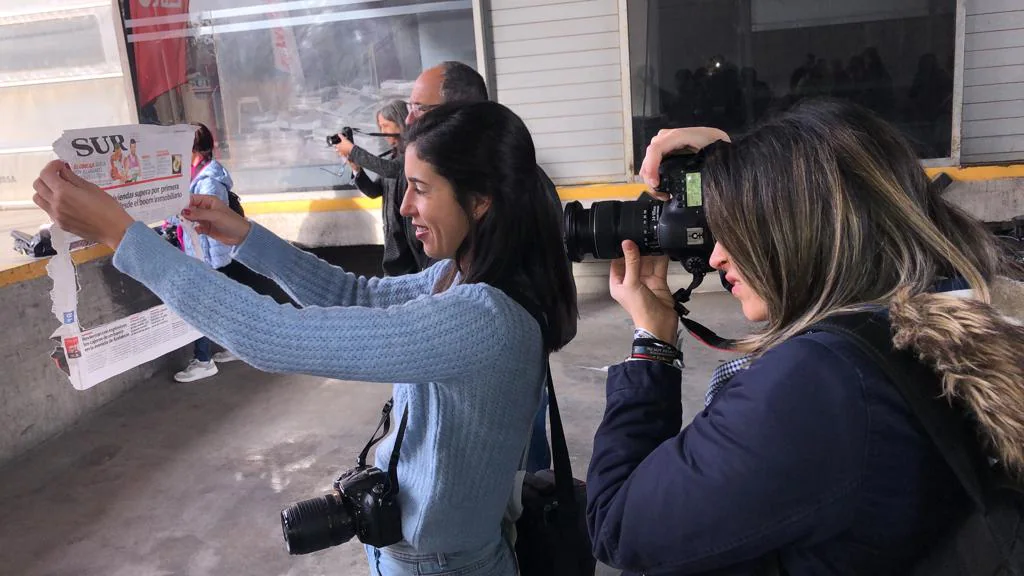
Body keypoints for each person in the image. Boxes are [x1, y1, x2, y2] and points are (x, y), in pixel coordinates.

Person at [32, 101, 578, 576]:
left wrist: (121, 236)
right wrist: (249, 239)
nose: (406, 206)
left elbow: (270, 336)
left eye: (420, 188)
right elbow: (358, 296)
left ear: (480, 201)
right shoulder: (455, 276)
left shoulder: (482, 318)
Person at [586, 99, 1024, 575]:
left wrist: (652, 343)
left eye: (738, 225)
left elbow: (618, 523)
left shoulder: (819, 384)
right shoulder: (932, 322)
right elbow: (849, 185)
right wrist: (745, 163)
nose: (715, 256)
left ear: (800, 228)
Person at [172, 123, 240, 382]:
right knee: (220, 302)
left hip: (208, 254)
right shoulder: (195, 173)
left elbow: (208, 217)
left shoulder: (209, 179)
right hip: (202, 252)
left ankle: (203, 360)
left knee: (198, 306)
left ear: (193, 148)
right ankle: (236, 347)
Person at [334, 100, 415, 276]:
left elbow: (391, 170)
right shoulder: (394, 155)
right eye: (380, 126)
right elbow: (374, 191)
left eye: (386, 126)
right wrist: (356, 168)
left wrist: (353, 149)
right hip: (393, 235)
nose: (383, 132)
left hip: (409, 235)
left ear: (400, 123)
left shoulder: (412, 153)